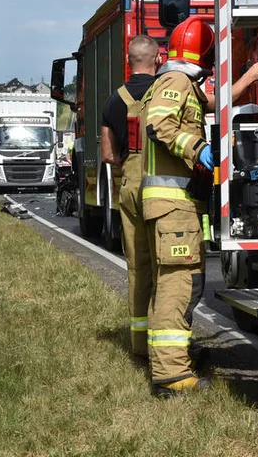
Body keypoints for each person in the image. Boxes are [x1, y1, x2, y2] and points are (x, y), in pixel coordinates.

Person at [138, 16, 218, 397]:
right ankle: (171, 374)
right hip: (173, 208)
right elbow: (159, 124)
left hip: (176, 207)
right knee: (178, 285)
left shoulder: (181, 82)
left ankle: (170, 361)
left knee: (178, 284)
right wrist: (198, 148)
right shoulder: (176, 81)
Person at [100, 34, 160, 360]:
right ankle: (169, 348)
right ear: (158, 59)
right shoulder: (167, 92)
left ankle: (139, 346)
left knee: (138, 267)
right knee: (167, 267)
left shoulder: (113, 100)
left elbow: (108, 155)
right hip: (164, 187)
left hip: (129, 188)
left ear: (128, 60)